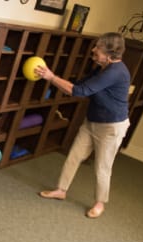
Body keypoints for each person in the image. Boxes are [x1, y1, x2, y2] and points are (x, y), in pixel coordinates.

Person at [35, 32, 131, 218]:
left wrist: (51, 77)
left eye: (99, 48)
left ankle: (99, 203)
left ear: (111, 55)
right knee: (74, 156)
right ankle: (61, 190)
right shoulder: (101, 67)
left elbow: (79, 91)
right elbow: (79, 84)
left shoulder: (115, 72)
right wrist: (57, 81)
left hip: (111, 127)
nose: (94, 50)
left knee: (102, 167)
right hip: (92, 121)